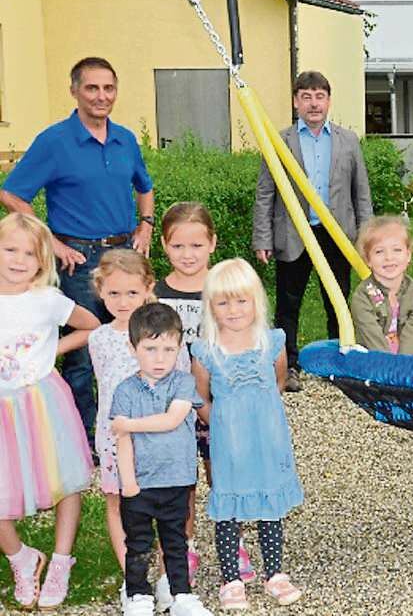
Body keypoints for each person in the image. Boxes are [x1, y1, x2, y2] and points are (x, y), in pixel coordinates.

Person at [0, 57, 155, 442]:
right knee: (85, 353)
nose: (101, 96)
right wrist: (51, 242)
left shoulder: (125, 139)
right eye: (92, 88)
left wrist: (147, 225)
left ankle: (135, 424)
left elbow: (145, 187)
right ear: (74, 91)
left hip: (125, 256)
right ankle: (85, 438)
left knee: (133, 338)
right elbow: (11, 193)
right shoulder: (54, 141)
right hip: (80, 260)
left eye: (108, 88)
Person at [190, 259, 305, 609]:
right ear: (211, 307)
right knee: (229, 508)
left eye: (241, 300)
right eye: (223, 302)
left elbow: (278, 382)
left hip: (268, 440)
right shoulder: (206, 351)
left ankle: (275, 573)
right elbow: (200, 397)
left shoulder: (271, 342)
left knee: (270, 505)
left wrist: (260, 418)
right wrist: (223, 424)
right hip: (229, 446)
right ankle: (231, 579)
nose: (233, 310)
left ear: (256, 300)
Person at [0, 212, 99, 609]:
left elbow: (91, 325)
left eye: (30, 253)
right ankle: (22, 558)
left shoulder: (47, 301)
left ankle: (61, 559)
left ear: (43, 261)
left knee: (65, 480)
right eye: (10, 249)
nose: (19, 260)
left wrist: (51, 351)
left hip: (41, 403)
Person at [253, 70, 373, 392]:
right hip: (295, 235)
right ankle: (288, 366)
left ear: (329, 101)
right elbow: (266, 192)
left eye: (319, 96)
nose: (313, 103)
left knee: (338, 302)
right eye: (306, 96)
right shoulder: (280, 141)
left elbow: (361, 193)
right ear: (296, 102)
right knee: (288, 305)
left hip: (337, 236)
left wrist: (367, 238)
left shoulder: (348, 141)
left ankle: (339, 363)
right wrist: (262, 237)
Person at [155, 202, 253, 583]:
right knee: (181, 483)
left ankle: (235, 544)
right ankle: (185, 548)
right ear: (164, 246)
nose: (188, 255)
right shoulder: (157, 295)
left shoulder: (223, 291)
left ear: (213, 243)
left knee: (225, 475)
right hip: (172, 407)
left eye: (196, 245)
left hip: (220, 403)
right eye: (178, 246)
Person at [89, 249, 191, 607]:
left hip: (162, 439)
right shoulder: (98, 339)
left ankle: (168, 578)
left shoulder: (167, 338)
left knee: (171, 507)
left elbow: (183, 385)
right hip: (116, 436)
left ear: (149, 288)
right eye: (113, 293)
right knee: (119, 504)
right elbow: (104, 390)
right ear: (100, 291)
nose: (122, 301)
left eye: (132, 293)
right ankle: (133, 582)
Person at [109, 303, 213, 616]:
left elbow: (172, 419)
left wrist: (129, 424)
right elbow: (123, 442)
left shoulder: (182, 383)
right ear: (133, 347)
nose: (159, 358)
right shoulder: (125, 390)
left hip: (177, 481)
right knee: (138, 544)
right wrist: (127, 483)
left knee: (176, 541)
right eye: (150, 349)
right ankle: (138, 595)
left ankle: (181, 593)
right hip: (139, 483)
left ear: (179, 348)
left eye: (168, 349)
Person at [348, 216, 413, 355]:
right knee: (354, 352)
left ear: (408, 255)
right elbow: (371, 336)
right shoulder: (363, 296)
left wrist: (401, 362)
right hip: (373, 355)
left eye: (397, 250)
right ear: (368, 260)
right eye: (379, 251)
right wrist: (388, 365)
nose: (389, 257)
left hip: (405, 357)